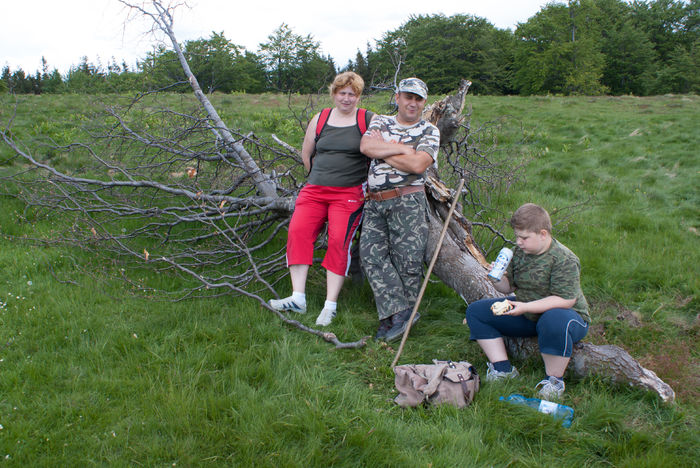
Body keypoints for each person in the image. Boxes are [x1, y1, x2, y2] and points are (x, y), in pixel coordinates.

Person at [269, 72, 375, 326]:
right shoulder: (322, 118)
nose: (346, 98)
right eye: (342, 93)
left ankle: (330, 305)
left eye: (352, 94)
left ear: (358, 97)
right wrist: (317, 177)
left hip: (348, 194)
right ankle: (298, 298)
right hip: (314, 190)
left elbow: (377, 152)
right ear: (334, 94)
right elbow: (307, 153)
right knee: (297, 232)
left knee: (339, 241)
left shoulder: (368, 119)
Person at [465, 203, 590, 399]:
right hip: (529, 313)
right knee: (476, 312)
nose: (519, 242)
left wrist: (524, 306)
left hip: (568, 318)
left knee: (553, 318)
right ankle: (503, 370)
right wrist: (495, 278)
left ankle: (554, 382)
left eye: (524, 237)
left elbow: (566, 300)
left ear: (543, 234)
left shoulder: (564, 259)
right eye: (517, 236)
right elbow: (509, 288)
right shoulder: (520, 253)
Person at [359, 77, 440, 342]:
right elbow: (366, 146)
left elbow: (418, 165)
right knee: (371, 257)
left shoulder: (429, 131)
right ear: (398, 97)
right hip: (374, 201)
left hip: (408, 201)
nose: (412, 103)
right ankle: (399, 312)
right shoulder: (381, 121)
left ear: (424, 102)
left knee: (407, 262)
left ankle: (393, 320)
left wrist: (383, 151)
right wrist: (403, 149)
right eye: (408, 97)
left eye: (418, 98)